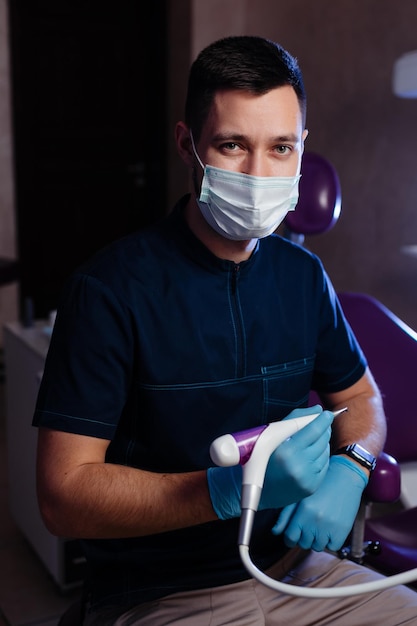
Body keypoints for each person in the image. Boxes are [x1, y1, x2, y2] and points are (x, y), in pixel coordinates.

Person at [33, 35, 417, 625]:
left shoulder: (303, 276)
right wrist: (225, 490)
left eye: (281, 147)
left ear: (301, 149)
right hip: (163, 592)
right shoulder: (109, 290)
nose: (259, 174)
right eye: (233, 145)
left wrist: (352, 467)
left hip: (303, 568)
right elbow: (62, 497)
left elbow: (362, 398)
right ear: (188, 144)